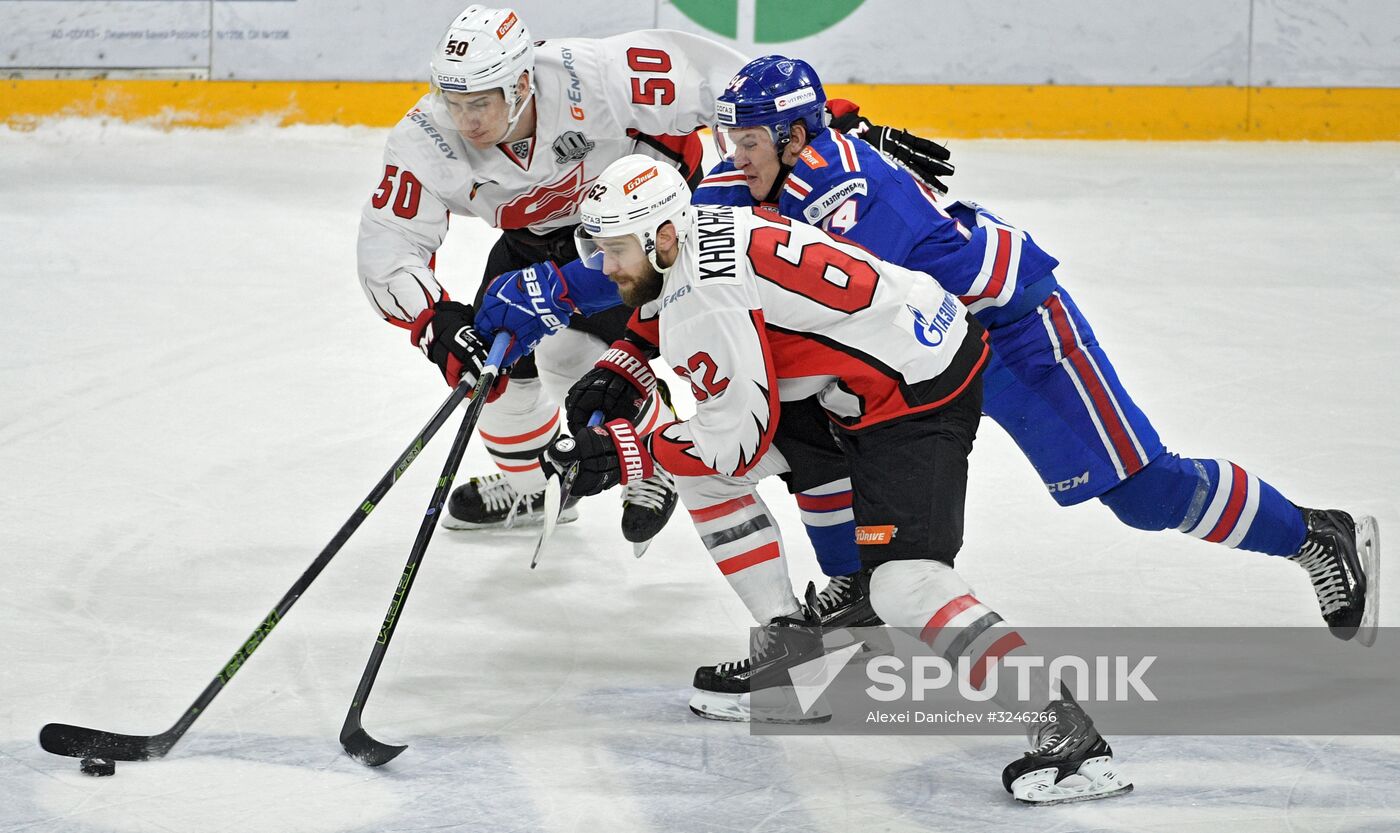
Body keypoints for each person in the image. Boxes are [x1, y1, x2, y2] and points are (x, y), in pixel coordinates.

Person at [529, 154, 1133, 804]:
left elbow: (735, 443)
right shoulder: (702, 228)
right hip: (860, 372)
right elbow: (666, 312)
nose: (605, 265)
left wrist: (627, 451)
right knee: (700, 476)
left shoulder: (704, 298)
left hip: (914, 389)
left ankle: (1070, 735)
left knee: (906, 584)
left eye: (616, 249)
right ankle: (792, 658)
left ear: (662, 236)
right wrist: (624, 365)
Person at [356, 4, 750, 545]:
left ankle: (653, 443)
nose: (465, 120)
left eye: (480, 102)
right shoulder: (427, 136)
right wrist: (436, 319)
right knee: (491, 376)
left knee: (593, 356)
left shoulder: (595, 75)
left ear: (521, 83)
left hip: (642, 233)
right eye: (454, 101)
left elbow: (720, 80)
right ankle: (534, 488)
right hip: (536, 241)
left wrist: (789, 133)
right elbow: (390, 243)